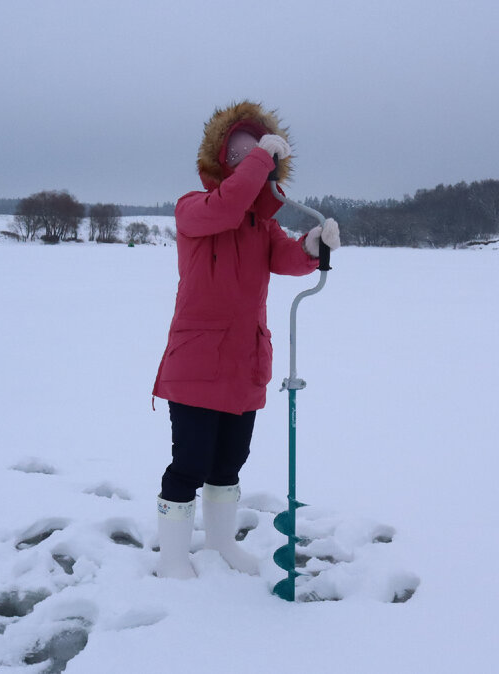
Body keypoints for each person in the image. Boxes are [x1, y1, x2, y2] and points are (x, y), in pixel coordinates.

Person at [152, 101, 340, 579]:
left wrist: (313, 247)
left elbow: (289, 259)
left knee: (229, 463)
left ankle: (219, 546)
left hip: (244, 362)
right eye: (242, 153)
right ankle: (173, 557)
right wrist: (262, 160)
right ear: (220, 159)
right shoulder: (194, 208)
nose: (251, 161)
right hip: (196, 364)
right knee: (189, 464)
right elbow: (229, 205)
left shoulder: (263, 227)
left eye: (257, 154)